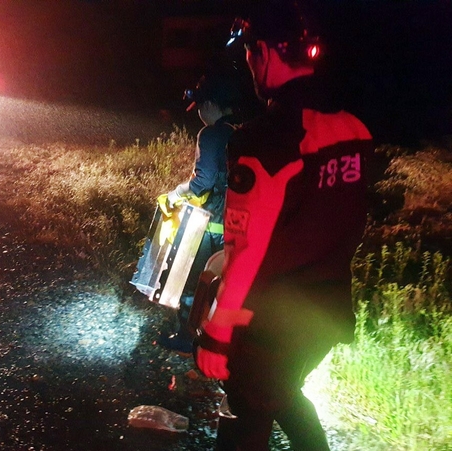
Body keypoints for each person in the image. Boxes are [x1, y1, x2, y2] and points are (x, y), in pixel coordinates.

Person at [194, 2, 374, 450]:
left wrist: (216, 333)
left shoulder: (265, 140)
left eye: (251, 56)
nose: (251, 68)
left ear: (266, 54)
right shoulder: (354, 129)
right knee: (279, 393)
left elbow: (247, 247)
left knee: (245, 414)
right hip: (327, 312)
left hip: (269, 323)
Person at [158, 68, 243, 355]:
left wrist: (176, 193)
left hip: (210, 222)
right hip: (232, 222)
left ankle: (187, 337)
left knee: (195, 278)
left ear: (208, 105)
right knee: (222, 282)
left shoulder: (210, 134)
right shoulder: (238, 133)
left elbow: (202, 181)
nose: (198, 115)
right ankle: (216, 336)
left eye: (200, 108)